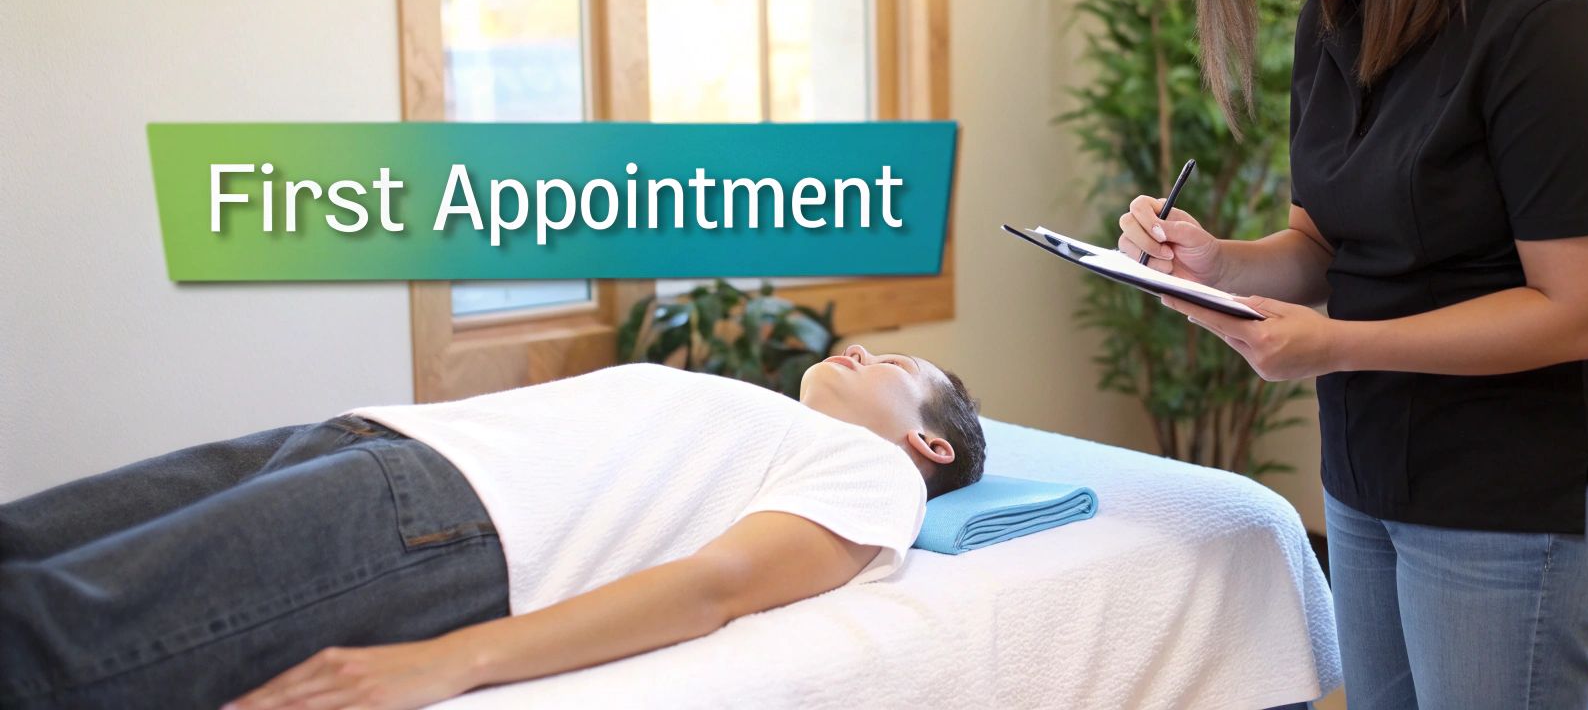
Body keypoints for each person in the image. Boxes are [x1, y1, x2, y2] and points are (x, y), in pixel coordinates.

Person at [1116, 0, 1588, 710]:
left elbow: (1581, 312)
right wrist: (1214, 259)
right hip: (1367, 473)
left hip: (1510, 492)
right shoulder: (1332, 17)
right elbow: (1322, 246)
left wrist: (1335, 344)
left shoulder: (1545, 19)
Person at [0, 345, 986, 710]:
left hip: (442, 516)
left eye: (896, 364)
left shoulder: (872, 473)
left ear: (927, 445)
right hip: (362, 441)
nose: (857, 349)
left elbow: (716, 584)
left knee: (51, 631)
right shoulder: (769, 419)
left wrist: (453, 662)